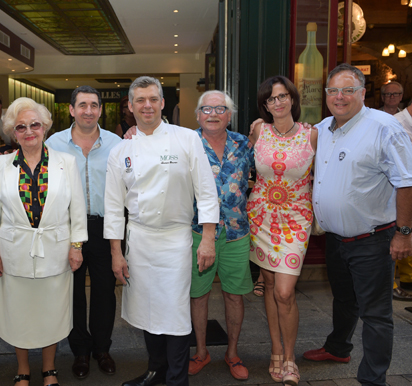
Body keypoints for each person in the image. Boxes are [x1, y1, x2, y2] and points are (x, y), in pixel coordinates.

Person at [104, 76, 220, 386]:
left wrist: (207, 238)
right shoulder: (121, 151)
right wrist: (116, 253)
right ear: (130, 106)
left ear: (162, 103)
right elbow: (114, 208)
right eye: (140, 100)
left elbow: (207, 193)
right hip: (139, 241)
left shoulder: (186, 139)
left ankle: (176, 379)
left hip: (176, 240)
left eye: (153, 99)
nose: (147, 105)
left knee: (175, 313)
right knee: (146, 310)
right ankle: (155, 371)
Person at [303, 63, 412, 386]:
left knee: (376, 314)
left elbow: (406, 182)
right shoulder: (323, 128)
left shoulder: (384, 127)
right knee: (344, 299)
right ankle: (338, 348)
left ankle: (372, 379)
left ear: (363, 93)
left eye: (348, 90)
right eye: (333, 90)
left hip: (373, 239)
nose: (340, 96)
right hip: (336, 240)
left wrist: (404, 233)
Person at [0, 97, 88, 386]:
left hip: (56, 250)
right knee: (18, 313)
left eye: (35, 125)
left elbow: (77, 208)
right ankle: (23, 368)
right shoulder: (1, 164)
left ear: (45, 128)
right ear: (13, 133)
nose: (29, 131)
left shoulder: (66, 162)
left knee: (52, 312)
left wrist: (76, 246)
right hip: (13, 250)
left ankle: (50, 368)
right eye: (21, 127)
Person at [45, 86, 121, 379]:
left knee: (105, 291)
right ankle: (80, 352)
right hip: (66, 228)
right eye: (82, 105)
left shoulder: (117, 144)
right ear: (71, 110)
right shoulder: (54, 143)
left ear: (100, 110)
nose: (88, 110)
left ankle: (102, 349)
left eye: (93, 105)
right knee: (72, 291)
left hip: (105, 227)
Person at [247, 75, 317, 386]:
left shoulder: (313, 135)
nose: (277, 103)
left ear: (292, 98)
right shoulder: (259, 130)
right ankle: (275, 348)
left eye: (282, 96)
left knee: (284, 292)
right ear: (265, 106)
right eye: (270, 99)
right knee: (270, 282)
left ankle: (290, 358)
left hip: (295, 220)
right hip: (261, 218)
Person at [187, 91, 254, 380]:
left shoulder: (244, 143)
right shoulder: (185, 143)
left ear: (230, 115)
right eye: (206, 109)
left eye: (220, 109)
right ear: (197, 115)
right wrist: (131, 132)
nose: (213, 114)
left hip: (236, 232)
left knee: (235, 295)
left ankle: (232, 353)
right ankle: (201, 352)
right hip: (196, 232)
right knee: (197, 295)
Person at [393, 101, 412, 301]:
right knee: (398, 236)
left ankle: (408, 278)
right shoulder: (394, 125)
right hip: (397, 194)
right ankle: (391, 284)